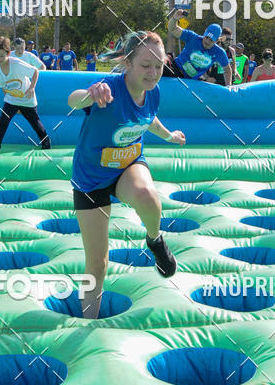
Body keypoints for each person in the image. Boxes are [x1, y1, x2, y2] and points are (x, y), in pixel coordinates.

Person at [68, 31, 186, 319]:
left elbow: (148, 119)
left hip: (128, 166)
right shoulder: (109, 86)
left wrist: (168, 134)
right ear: (129, 63)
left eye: (159, 65)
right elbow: (74, 100)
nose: (153, 72)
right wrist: (90, 95)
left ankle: (155, 240)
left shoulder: (154, 92)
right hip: (90, 178)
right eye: (146, 65)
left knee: (147, 195)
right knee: (97, 262)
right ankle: (88, 322)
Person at [0, 35, 51, 154]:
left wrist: (32, 88)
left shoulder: (17, 64)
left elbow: (35, 71)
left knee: (35, 123)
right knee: (2, 122)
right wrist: (8, 96)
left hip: (27, 99)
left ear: (8, 53)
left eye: (1, 56)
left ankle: (46, 143)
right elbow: (2, 87)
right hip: (11, 100)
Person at [164, 19, 232, 85]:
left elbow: (227, 69)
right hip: (175, 69)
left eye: (211, 40)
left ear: (217, 40)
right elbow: (172, 29)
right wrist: (175, 18)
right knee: (164, 60)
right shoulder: (192, 37)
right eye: (206, 37)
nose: (207, 41)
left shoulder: (219, 52)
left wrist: (229, 86)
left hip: (191, 81)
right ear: (204, 33)